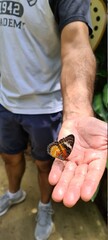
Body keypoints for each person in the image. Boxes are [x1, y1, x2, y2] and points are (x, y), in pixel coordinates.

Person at [0, 1, 107, 240]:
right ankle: (14, 193)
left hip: (45, 105)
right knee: (9, 155)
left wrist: (78, 111)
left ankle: (45, 206)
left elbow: (77, 43)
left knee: (45, 164)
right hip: (5, 98)